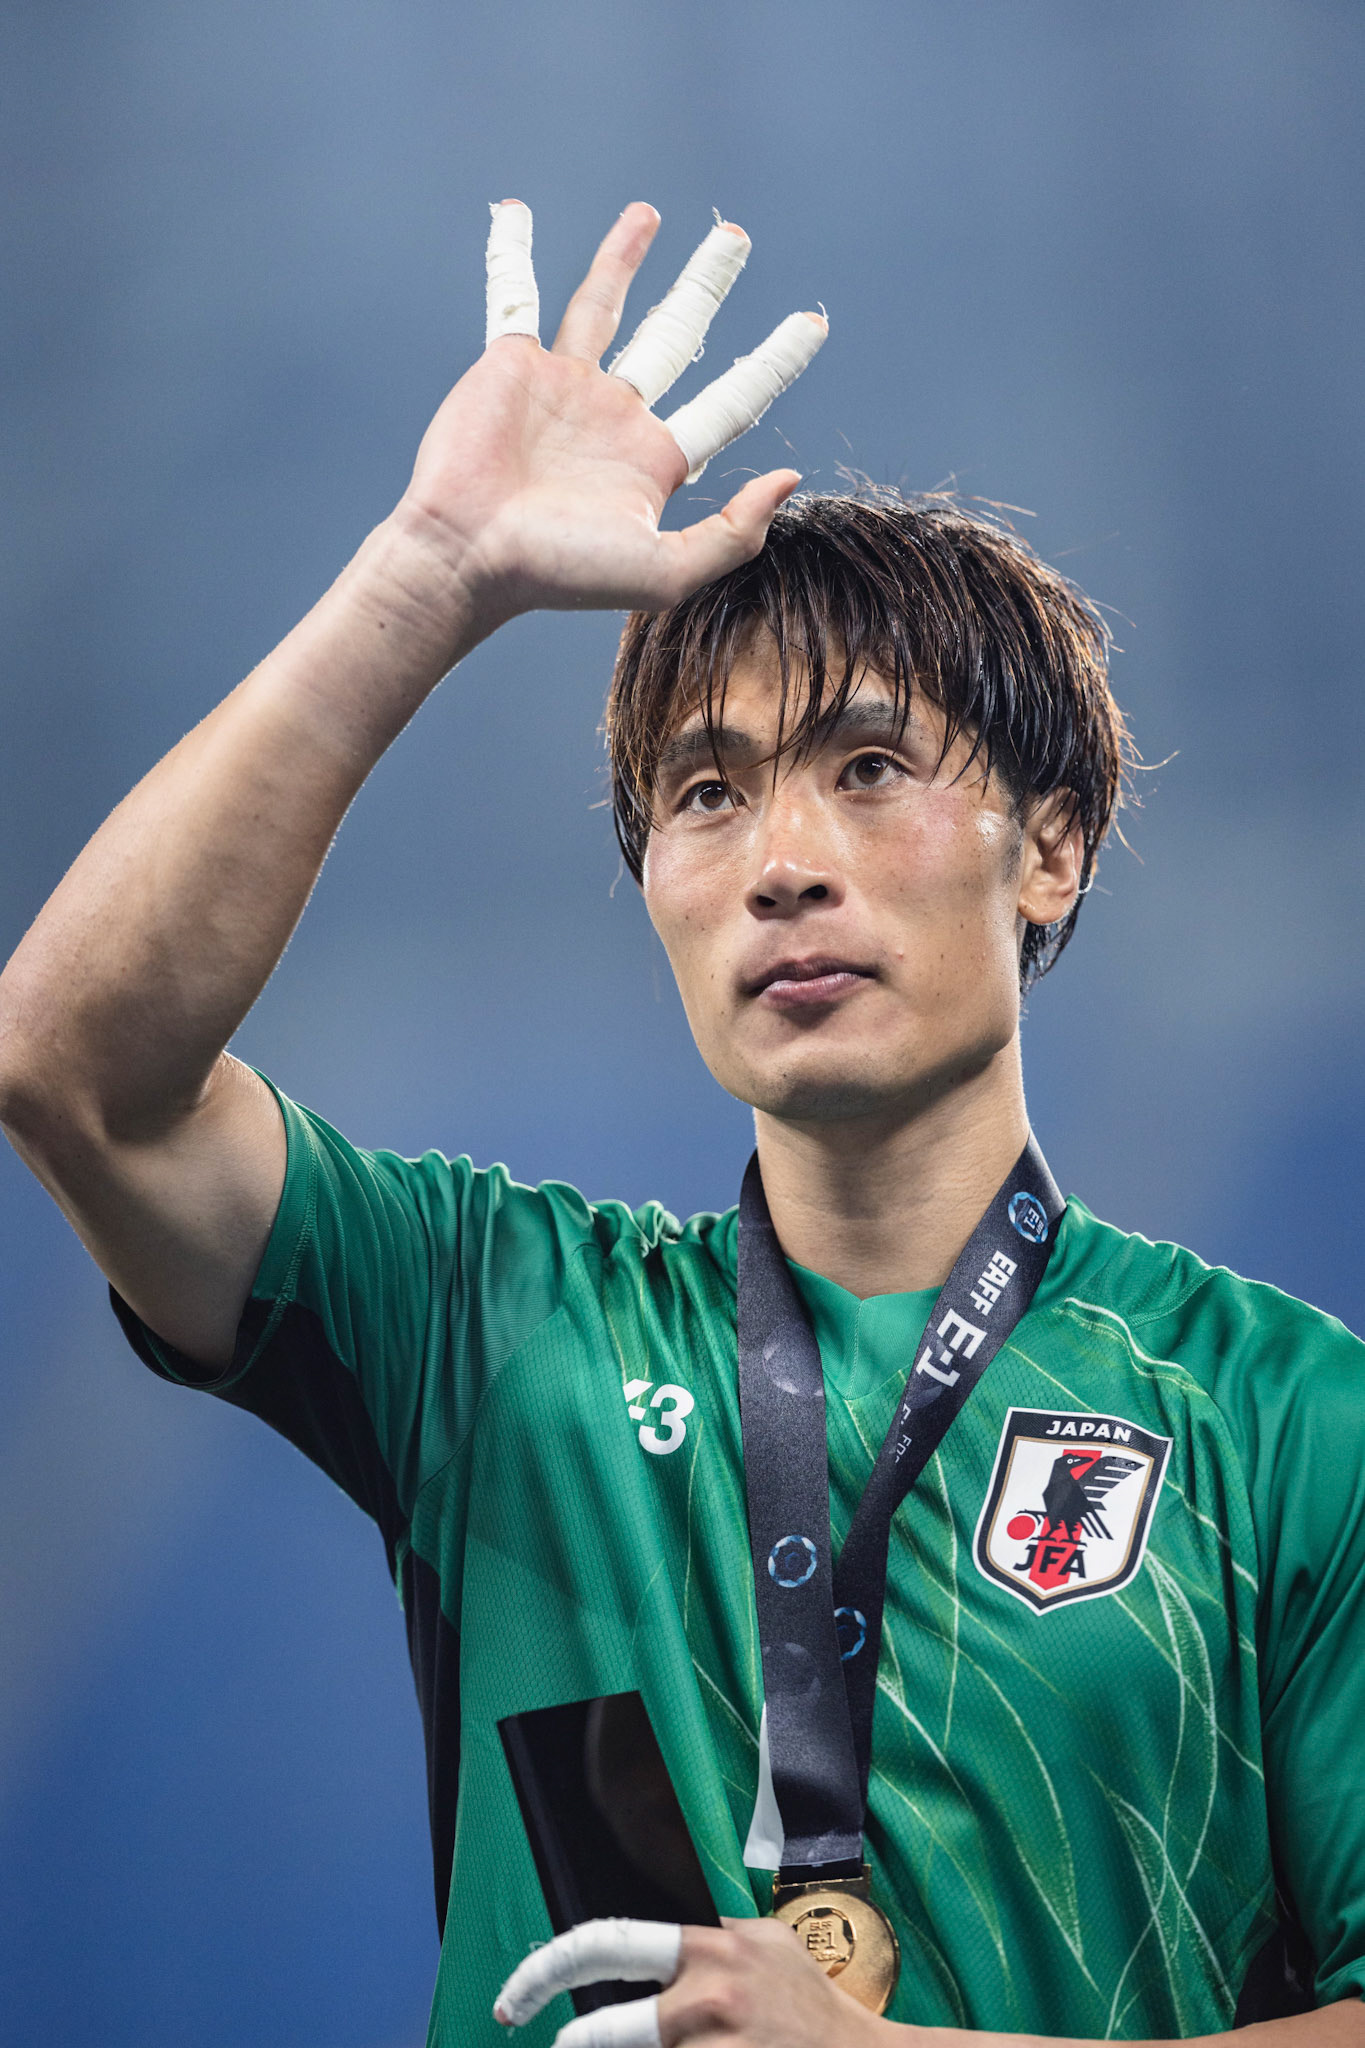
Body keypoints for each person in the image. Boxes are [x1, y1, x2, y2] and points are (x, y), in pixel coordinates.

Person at [0, 197, 1361, 2048]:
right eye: (706, 796)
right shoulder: (497, 1322)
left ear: (1049, 850)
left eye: (866, 768)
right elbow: (75, 1071)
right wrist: (427, 572)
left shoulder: (1288, 1418)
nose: (781, 862)